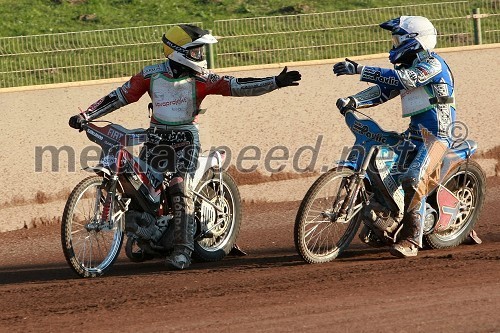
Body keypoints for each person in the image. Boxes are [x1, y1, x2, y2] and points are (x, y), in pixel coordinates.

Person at [68, 24, 301, 270]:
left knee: (179, 187)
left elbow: (237, 85)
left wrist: (275, 81)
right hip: (155, 139)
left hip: (186, 141)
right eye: (196, 51)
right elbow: (119, 96)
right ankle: (149, 236)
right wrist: (87, 115)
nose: (202, 56)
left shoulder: (202, 79)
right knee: (140, 190)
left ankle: (183, 250)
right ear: (179, 51)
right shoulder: (150, 75)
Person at [333, 16, 456, 258]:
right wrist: (354, 101)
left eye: (398, 38)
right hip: (413, 136)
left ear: (415, 41)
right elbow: (386, 89)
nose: (394, 43)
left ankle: (412, 239)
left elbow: (405, 80)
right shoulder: (407, 68)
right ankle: (387, 218)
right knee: (379, 167)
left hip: (437, 137)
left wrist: (360, 69)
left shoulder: (433, 65)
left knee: (413, 179)